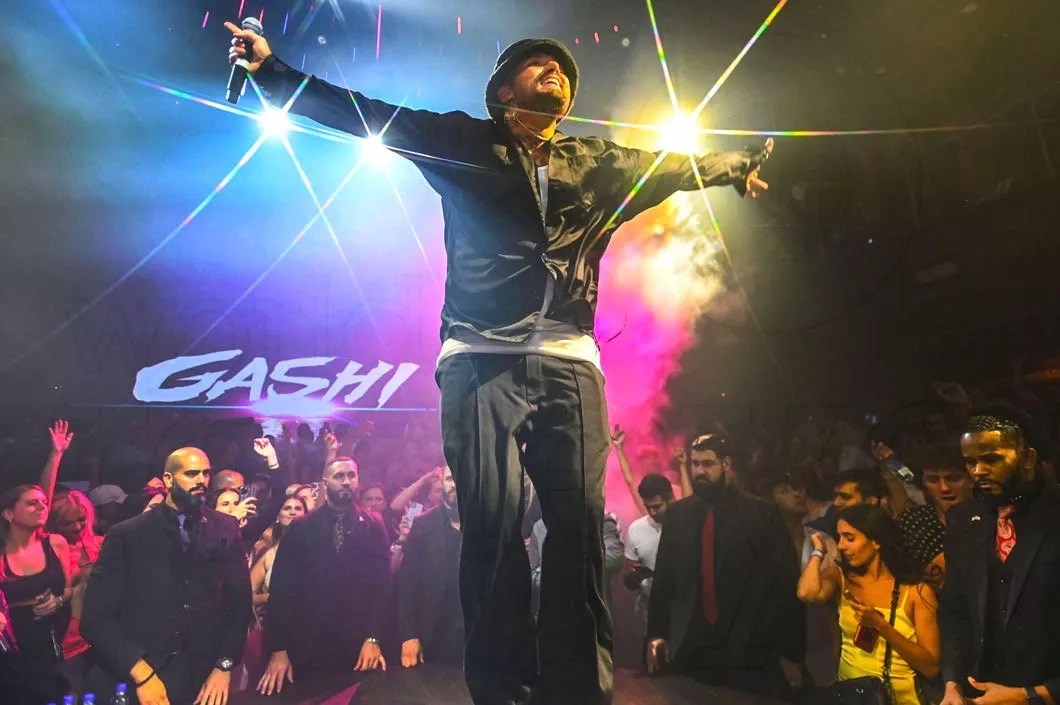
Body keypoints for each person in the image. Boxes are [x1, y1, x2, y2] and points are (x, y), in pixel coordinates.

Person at [226, 23, 772, 705]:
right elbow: (369, 115)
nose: (554, 70)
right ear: (504, 93)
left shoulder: (597, 160)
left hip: (568, 356)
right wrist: (274, 73)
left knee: (578, 527)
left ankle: (579, 691)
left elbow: (668, 167)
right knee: (491, 520)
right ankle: (503, 689)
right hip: (480, 354)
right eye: (537, 64)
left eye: (561, 68)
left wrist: (732, 165)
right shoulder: (463, 142)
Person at [81, 447, 252, 705]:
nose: (201, 480)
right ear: (169, 479)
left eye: (206, 474)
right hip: (147, 673)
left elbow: (239, 604)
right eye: (191, 473)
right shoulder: (129, 534)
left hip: (205, 677)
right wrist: (141, 673)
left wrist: (224, 666)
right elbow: (95, 618)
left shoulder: (224, 528)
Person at [646, 434, 805, 700]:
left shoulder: (761, 513)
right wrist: (657, 633)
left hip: (748, 642)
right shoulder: (678, 515)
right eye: (695, 464)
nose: (699, 471)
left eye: (708, 464)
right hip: (692, 642)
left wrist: (792, 653)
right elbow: (664, 579)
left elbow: (785, 585)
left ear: (726, 464)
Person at [939, 408, 1060, 705]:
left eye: (991, 459)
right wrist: (952, 682)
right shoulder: (963, 519)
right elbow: (955, 609)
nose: (978, 471)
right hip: (978, 695)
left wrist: (1033, 695)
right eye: (970, 462)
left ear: (1028, 459)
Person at [257, 457, 389, 696]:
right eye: (339, 476)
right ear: (325, 482)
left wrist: (373, 638)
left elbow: (381, 587)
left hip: (356, 645)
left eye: (351, 475)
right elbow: (282, 591)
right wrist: (278, 649)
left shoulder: (373, 525)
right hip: (306, 645)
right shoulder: (302, 527)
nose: (346, 481)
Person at [797, 505, 940, 705]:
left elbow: (931, 667)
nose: (841, 546)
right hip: (851, 696)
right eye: (839, 537)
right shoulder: (842, 578)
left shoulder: (915, 592)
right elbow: (807, 593)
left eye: (850, 538)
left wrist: (880, 626)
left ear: (876, 541)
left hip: (900, 698)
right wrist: (818, 552)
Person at [0, 485, 73, 705]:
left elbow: (68, 589)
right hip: (15, 652)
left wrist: (57, 601)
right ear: (9, 513)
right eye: (32, 503)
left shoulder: (56, 543)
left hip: (54, 644)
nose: (42, 506)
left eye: (44, 502)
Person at [397, 466, 464, 669]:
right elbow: (407, 583)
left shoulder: (487, 523)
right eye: (450, 479)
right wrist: (409, 635)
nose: (456, 484)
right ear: (442, 483)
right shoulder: (423, 524)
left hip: (476, 633)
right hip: (433, 633)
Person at [885, 444, 973, 588]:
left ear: (971, 479)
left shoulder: (992, 519)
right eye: (933, 480)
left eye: (953, 478)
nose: (944, 488)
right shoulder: (913, 522)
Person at [47, 490, 104, 693]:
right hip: (70, 636)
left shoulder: (101, 543)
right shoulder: (50, 552)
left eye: (81, 520)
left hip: (104, 632)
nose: (77, 527)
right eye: (68, 523)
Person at [621, 472, 674, 661]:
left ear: (670, 498)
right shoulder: (636, 529)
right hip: (650, 620)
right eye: (647, 507)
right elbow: (628, 572)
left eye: (657, 507)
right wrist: (633, 578)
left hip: (683, 619)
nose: (652, 512)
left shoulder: (688, 525)